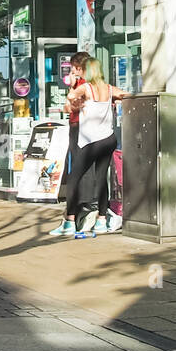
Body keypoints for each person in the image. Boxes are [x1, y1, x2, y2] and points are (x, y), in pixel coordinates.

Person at [52, 56, 127, 236]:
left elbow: (70, 99)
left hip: (91, 141)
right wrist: (116, 102)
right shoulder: (109, 89)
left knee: (74, 179)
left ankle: (70, 222)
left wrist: (74, 98)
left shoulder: (85, 87)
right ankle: (102, 220)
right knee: (101, 179)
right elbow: (126, 95)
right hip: (109, 139)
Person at [52, 52, 95, 234]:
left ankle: (74, 215)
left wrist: (70, 90)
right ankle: (74, 215)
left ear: (79, 68)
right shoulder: (85, 83)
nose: (70, 72)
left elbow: (71, 105)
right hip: (80, 126)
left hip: (82, 127)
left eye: (72, 68)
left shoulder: (85, 85)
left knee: (79, 171)